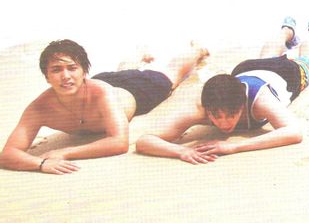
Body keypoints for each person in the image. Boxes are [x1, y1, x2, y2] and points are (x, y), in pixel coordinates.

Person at [135, 18, 309, 164]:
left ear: (242, 105)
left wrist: (233, 147)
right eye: (216, 116)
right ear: (207, 109)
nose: (224, 123)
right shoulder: (202, 107)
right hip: (246, 70)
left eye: (231, 115)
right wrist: (180, 151)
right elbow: (145, 140)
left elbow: (293, 132)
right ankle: (287, 30)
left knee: (308, 61)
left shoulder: (260, 100)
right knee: (266, 57)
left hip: (283, 73)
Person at [1, 39, 206, 173]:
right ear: (46, 77)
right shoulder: (39, 108)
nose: (65, 76)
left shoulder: (101, 93)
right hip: (107, 81)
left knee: (170, 77)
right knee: (121, 74)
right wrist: (41, 163)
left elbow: (119, 142)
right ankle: (137, 56)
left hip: (137, 90)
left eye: (72, 68)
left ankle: (197, 50)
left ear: (83, 72)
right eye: (56, 70)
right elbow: (8, 154)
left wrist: (65, 152)